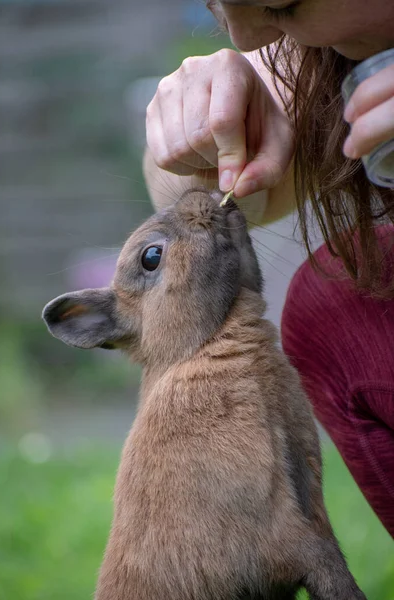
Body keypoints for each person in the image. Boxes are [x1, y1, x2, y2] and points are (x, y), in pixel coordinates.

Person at [143, 0, 394, 537]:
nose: (246, 37)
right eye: (214, 5)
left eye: (281, 4)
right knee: (331, 303)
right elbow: (175, 189)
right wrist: (206, 122)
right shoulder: (318, 55)